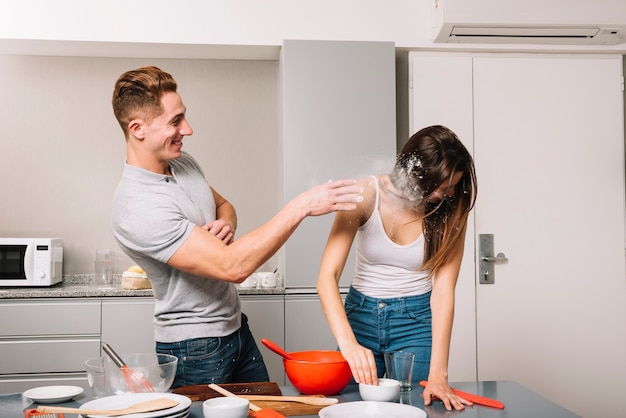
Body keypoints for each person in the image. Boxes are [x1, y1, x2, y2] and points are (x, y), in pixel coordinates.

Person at [110, 66, 363, 388]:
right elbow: (234, 267)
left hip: (235, 328)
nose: (187, 129)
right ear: (137, 128)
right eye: (175, 121)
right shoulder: (138, 206)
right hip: (194, 347)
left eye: (183, 116)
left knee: (266, 411)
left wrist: (224, 226)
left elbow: (224, 206)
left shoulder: (183, 164)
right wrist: (301, 206)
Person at [316, 125, 477, 411]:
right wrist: (349, 344)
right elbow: (327, 277)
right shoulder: (367, 194)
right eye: (444, 187)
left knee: (418, 407)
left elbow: (443, 292)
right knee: (354, 409)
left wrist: (439, 374)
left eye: (455, 185)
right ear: (417, 175)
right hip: (360, 319)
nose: (451, 194)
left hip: (415, 323)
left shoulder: (451, 209)